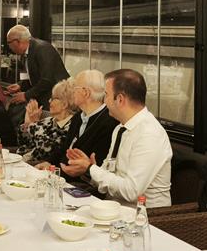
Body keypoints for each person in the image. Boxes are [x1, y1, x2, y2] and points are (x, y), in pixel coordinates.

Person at [64, 69, 172, 208]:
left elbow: (131, 191)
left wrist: (91, 169)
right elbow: (109, 177)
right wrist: (88, 170)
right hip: (115, 208)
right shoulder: (120, 129)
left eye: (106, 95)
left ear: (120, 99)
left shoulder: (149, 134)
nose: (104, 101)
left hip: (145, 216)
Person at [48, 69, 118, 178]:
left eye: (75, 88)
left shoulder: (109, 122)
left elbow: (96, 166)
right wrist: (49, 163)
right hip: (61, 175)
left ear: (86, 93)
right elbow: (65, 148)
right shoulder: (78, 117)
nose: (72, 92)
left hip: (84, 182)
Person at [4, 25, 69, 109]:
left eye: (9, 42)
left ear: (17, 41)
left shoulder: (42, 49)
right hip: (44, 97)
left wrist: (26, 95)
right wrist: (20, 85)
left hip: (57, 98)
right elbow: (30, 76)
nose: (9, 47)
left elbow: (47, 80)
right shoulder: (25, 53)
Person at [18, 79, 76, 165]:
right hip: (26, 161)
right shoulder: (49, 120)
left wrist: (33, 124)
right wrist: (27, 124)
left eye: (53, 98)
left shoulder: (71, 126)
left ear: (64, 104)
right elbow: (23, 143)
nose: (49, 101)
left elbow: (45, 150)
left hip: (42, 166)